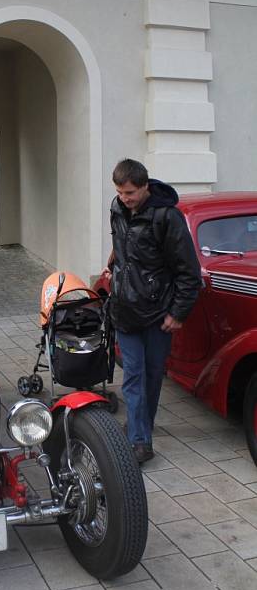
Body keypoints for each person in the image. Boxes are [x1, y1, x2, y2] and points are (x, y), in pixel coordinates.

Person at [104, 158, 201, 464]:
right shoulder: (117, 208)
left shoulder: (167, 217)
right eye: (120, 191)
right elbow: (121, 243)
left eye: (130, 192)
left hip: (158, 312)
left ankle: (140, 426)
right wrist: (111, 266)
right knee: (133, 374)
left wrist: (178, 313)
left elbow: (189, 273)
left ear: (145, 186)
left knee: (153, 374)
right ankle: (139, 441)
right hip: (125, 308)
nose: (125, 198)